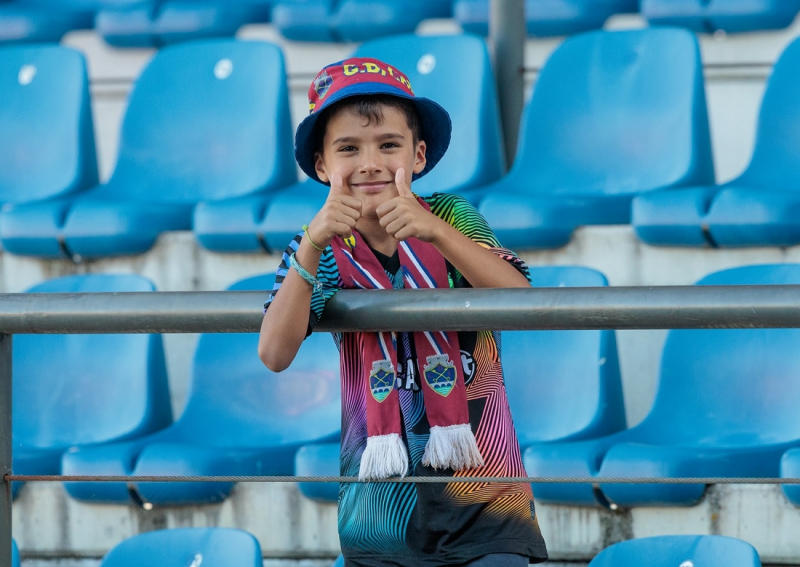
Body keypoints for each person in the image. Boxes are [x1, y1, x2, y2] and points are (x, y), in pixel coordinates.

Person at [259, 57, 547, 567]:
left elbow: (525, 303)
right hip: (377, 518)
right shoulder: (318, 246)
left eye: (388, 145)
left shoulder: (453, 217)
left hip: (486, 509)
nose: (369, 163)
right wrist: (309, 247)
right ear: (323, 166)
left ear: (417, 156)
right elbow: (275, 352)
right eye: (348, 148)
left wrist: (434, 232)